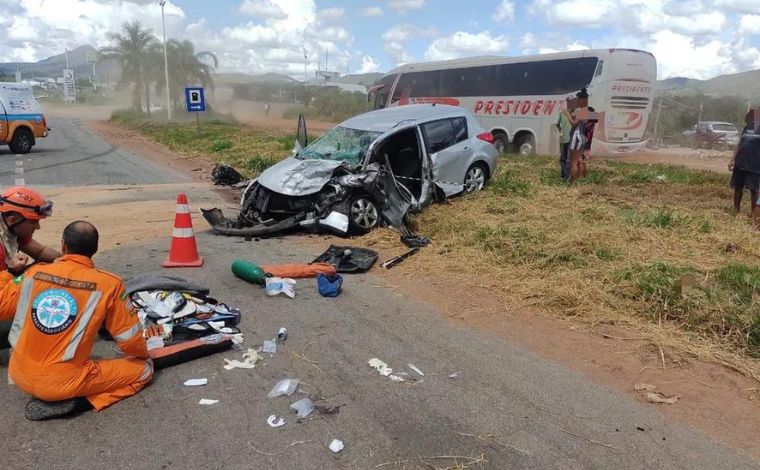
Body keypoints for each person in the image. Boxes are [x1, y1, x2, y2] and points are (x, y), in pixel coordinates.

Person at [0, 221, 152, 420]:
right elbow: (129, 339)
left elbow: (2, 307)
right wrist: (142, 356)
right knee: (145, 370)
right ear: (94, 250)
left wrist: (9, 273)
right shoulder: (109, 283)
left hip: (18, 373)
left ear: (63, 245)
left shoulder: (33, 273)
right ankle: (81, 403)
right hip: (59, 384)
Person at [0, 186, 60, 351]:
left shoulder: (10, 229)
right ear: (12, 219)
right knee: (40, 315)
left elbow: (41, 252)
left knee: (48, 268)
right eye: (34, 222)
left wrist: (70, 261)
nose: (38, 227)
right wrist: (11, 272)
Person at [729, 113, 760, 216]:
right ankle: (736, 210)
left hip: (755, 165)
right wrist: (732, 159)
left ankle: (753, 212)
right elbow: (739, 144)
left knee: (754, 190)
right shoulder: (746, 128)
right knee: (738, 187)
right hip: (740, 163)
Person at [557, 98, 577, 181]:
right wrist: (560, 132)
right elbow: (557, 124)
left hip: (571, 139)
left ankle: (568, 177)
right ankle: (563, 176)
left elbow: (575, 125)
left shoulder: (576, 114)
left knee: (569, 159)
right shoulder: (562, 113)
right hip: (563, 139)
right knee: (563, 158)